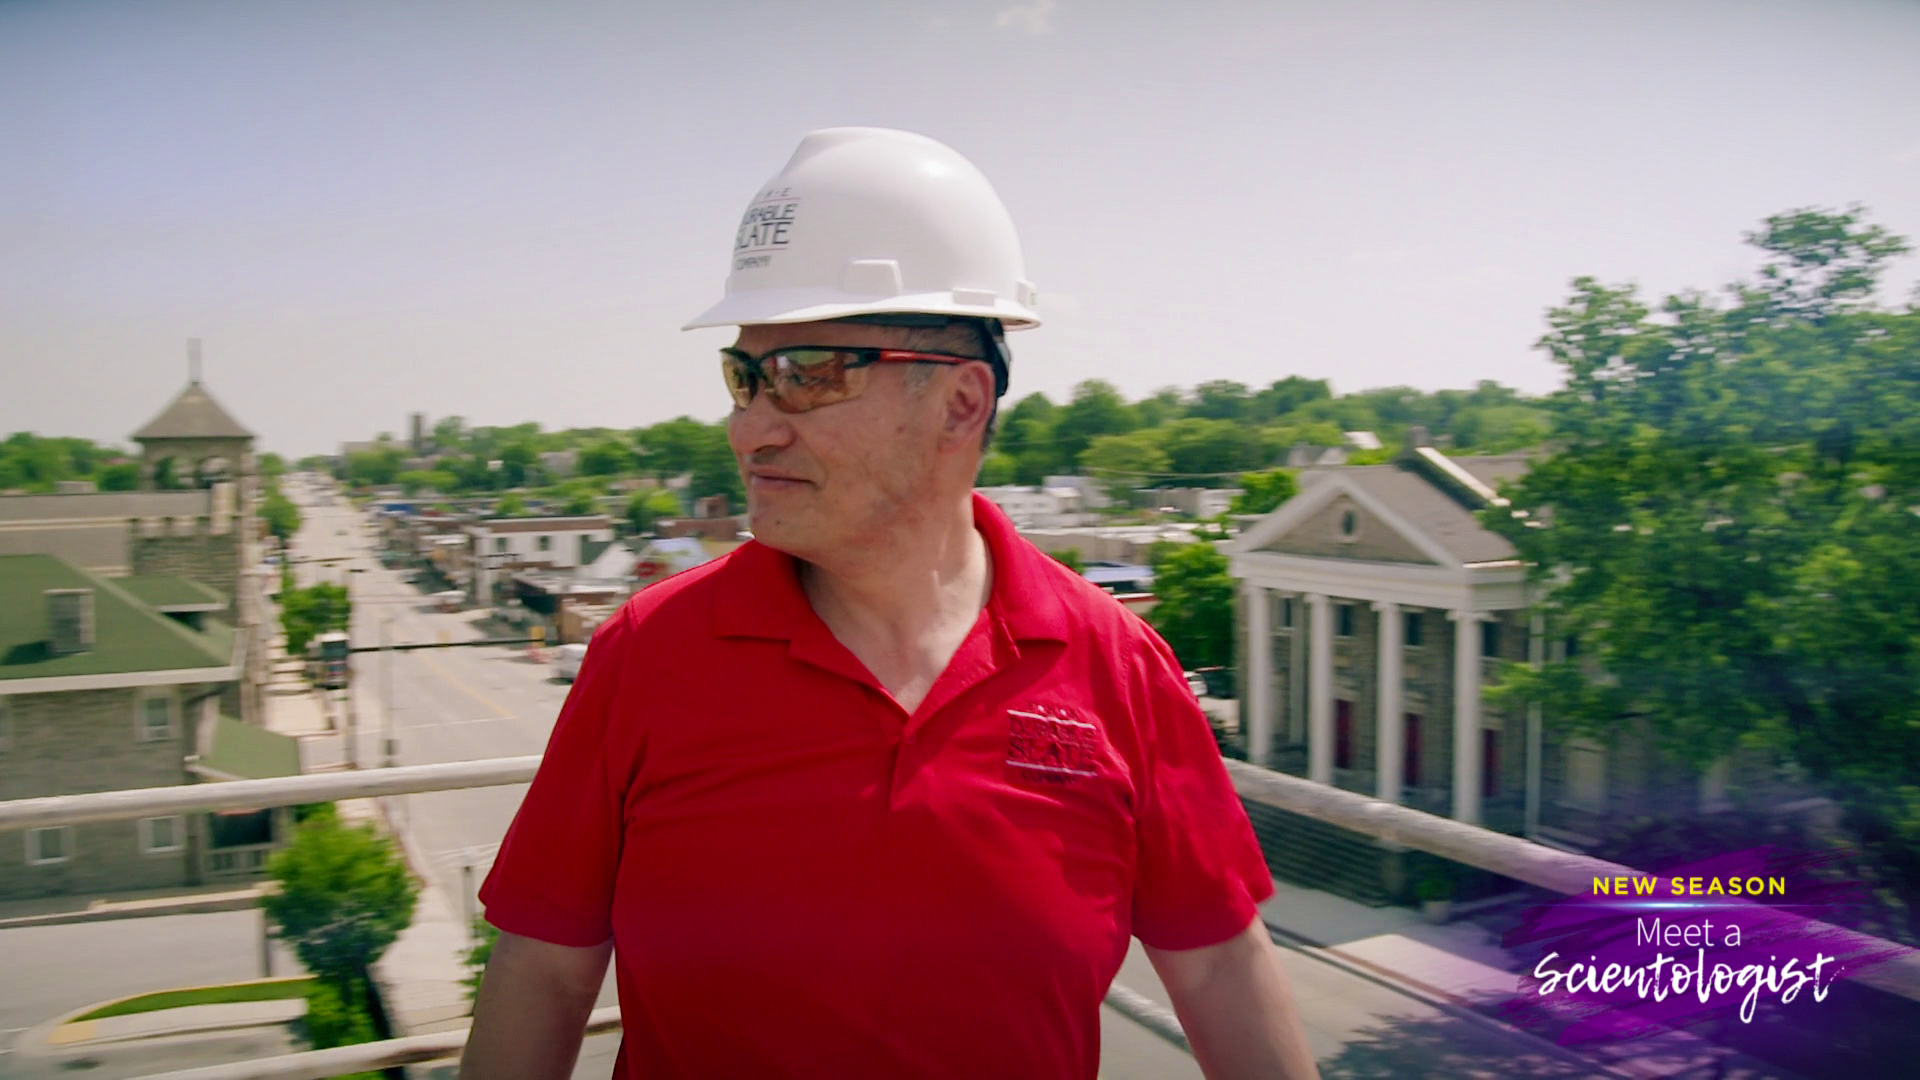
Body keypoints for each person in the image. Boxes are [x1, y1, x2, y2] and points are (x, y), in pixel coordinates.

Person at [462, 127, 1318, 1080]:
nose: (749, 430)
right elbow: (544, 971)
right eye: (744, 378)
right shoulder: (650, 652)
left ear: (961, 402)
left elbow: (1219, 965)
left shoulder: (1114, 663)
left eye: (806, 376)